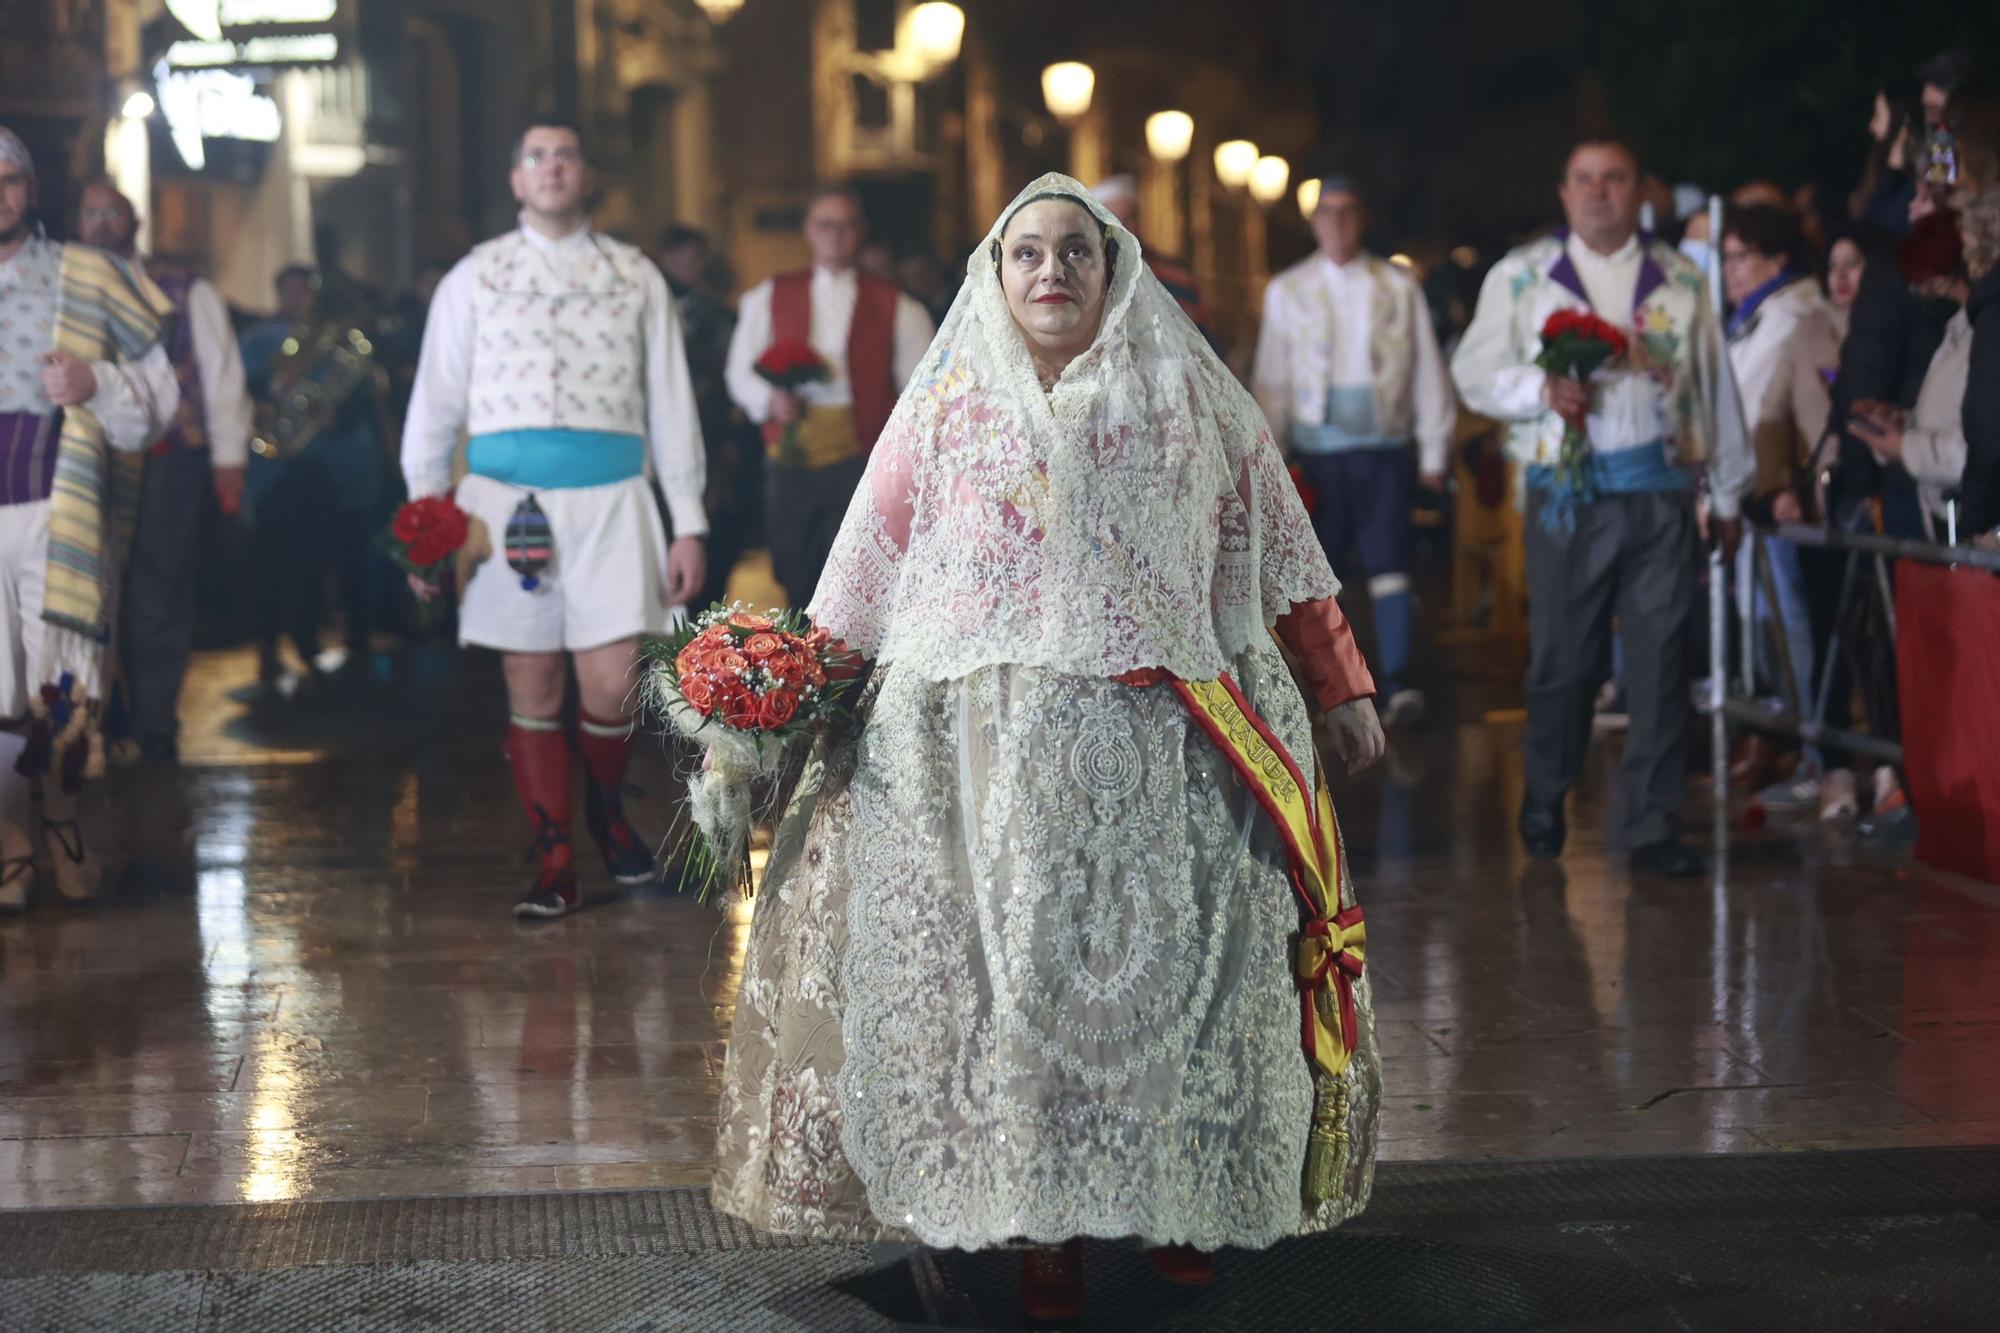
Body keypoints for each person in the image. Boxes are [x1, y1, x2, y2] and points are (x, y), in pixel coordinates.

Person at [711, 175, 1386, 1317]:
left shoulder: (1188, 393)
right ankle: (1043, 1231)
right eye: (1027, 253)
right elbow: (864, 564)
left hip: (1165, 753)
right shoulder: (946, 402)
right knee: (1018, 1002)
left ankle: (1177, 1201)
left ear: (1114, 268)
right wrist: (783, 693)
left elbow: (1277, 542)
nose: (1051, 274)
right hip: (985, 768)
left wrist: (1338, 685)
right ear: (995, 271)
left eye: (1075, 252)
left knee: (1170, 990)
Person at [402, 117, 709, 919]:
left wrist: (687, 519)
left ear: (587, 174)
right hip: (503, 509)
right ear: (515, 179)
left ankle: (606, 808)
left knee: (611, 685)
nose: (551, 167)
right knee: (531, 679)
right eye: (534, 155)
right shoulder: (474, 276)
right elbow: (434, 403)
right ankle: (556, 854)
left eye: (566, 154)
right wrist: (428, 517)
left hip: (613, 502)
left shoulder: (634, 274)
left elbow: (671, 403)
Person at [1450, 136, 1749, 879]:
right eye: (1583, 179)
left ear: (1640, 190)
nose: (1598, 192)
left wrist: (1731, 488)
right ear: (1563, 192)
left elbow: (1715, 385)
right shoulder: (1524, 277)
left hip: (1658, 487)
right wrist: (1539, 389)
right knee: (1565, 659)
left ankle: (1652, 822)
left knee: (1658, 660)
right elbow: (1473, 370)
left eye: (1614, 178)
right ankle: (1547, 794)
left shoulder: (1680, 278)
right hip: (1566, 492)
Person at [0, 126, 180, 912]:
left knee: (59, 681)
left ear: (31, 190)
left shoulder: (88, 275)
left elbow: (159, 401)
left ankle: (64, 820)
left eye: (7, 178)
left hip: (58, 501)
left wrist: (95, 379)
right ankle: (9, 839)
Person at [1251, 174, 1457, 726]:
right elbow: (1272, 378)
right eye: (1327, 212)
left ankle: (1396, 683)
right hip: (1317, 455)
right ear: (1314, 221)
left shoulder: (1397, 284)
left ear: (1362, 218)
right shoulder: (1287, 290)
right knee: (1319, 574)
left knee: (1392, 563)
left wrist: (1434, 452)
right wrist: (1269, 458)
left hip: (1384, 450)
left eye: (1348, 211)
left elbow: (1426, 369)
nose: (1337, 222)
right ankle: (1333, 693)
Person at [74, 180, 251, 764]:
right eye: (90, 213)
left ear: (134, 222)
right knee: (95, 588)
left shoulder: (183, 290)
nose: (100, 224)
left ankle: (154, 718)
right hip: (89, 459)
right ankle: (104, 709)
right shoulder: (65, 287)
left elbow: (223, 377)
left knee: (160, 588)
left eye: (111, 213)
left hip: (168, 458)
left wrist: (229, 459)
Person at [723, 186, 932, 607]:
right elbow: (739, 371)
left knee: (858, 574)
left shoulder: (897, 305)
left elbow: (923, 387)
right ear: (809, 231)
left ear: (861, 232)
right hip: (791, 453)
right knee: (793, 564)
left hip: (863, 455)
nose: (835, 235)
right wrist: (769, 401)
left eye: (846, 225)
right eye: (825, 225)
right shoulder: (770, 296)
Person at [1717, 204, 1844, 815]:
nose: (1729, 270)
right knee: (1773, 635)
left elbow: (1756, 408)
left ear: (1776, 258)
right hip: (1757, 497)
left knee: (1799, 635)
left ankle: (1820, 756)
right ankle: (1803, 750)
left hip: (1786, 499)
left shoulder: (1794, 313)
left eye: (1741, 256)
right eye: (1726, 257)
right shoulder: (1755, 316)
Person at [239, 265, 395, 699]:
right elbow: (243, 387)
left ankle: (351, 641)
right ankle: (273, 644)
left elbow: (363, 397)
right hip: (279, 470)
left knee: (346, 554)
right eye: (288, 290)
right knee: (278, 560)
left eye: (304, 291)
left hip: (337, 468)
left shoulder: (343, 342)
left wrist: (336, 417)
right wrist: (274, 389)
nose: (297, 298)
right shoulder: (261, 340)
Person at [656, 224, 752, 609]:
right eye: (687, 256)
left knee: (714, 539)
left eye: (699, 258)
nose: (693, 265)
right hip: (662, 438)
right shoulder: (651, 304)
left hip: (711, 439)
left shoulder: (716, 315)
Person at [1091, 173, 1223, 353]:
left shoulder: (1177, 278)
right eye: (1113, 220)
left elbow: (1207, 348)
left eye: (1129, 219)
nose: (1123, 228)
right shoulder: (1086, 282)